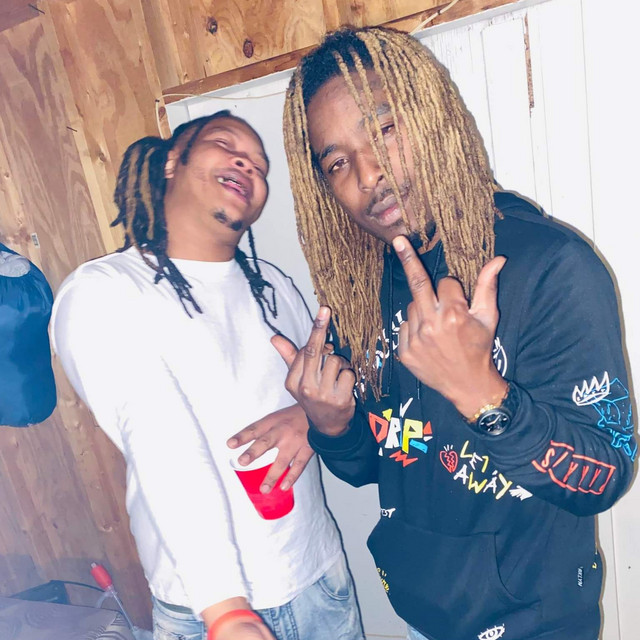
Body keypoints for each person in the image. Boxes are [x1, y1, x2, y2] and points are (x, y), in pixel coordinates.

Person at [277, 26, 636, 640]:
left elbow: (605, 475)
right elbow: (382, 461)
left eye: (384, 130)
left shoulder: (551, 266)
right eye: (337, 162)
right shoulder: (365, 291)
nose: (367, 174)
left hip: (537, 624)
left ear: (432, 117)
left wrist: (482, 395)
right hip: (424, 618)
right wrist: (332, 427)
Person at [51, 111, 363, 640]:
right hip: (204, 608)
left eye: (261, 166)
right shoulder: (103, 292)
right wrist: (227, 610)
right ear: (172, 161)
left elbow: (337, 390)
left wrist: (311, 418)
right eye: (225, 144)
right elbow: (160, 438)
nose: (248, 164)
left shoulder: (275, 287)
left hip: (318, 579)